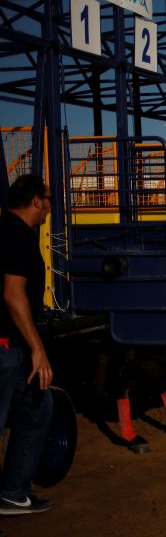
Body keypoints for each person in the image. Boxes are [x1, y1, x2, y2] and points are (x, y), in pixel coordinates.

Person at [0, 174, 55, 516]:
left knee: (39, 404)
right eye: (49, 199)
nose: (51, 206)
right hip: (6, 347)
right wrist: (38, 348)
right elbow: (12, 294)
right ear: (36, 200)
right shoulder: (16, 235)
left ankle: (12, 492)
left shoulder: (9, 229)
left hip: (11, 348)